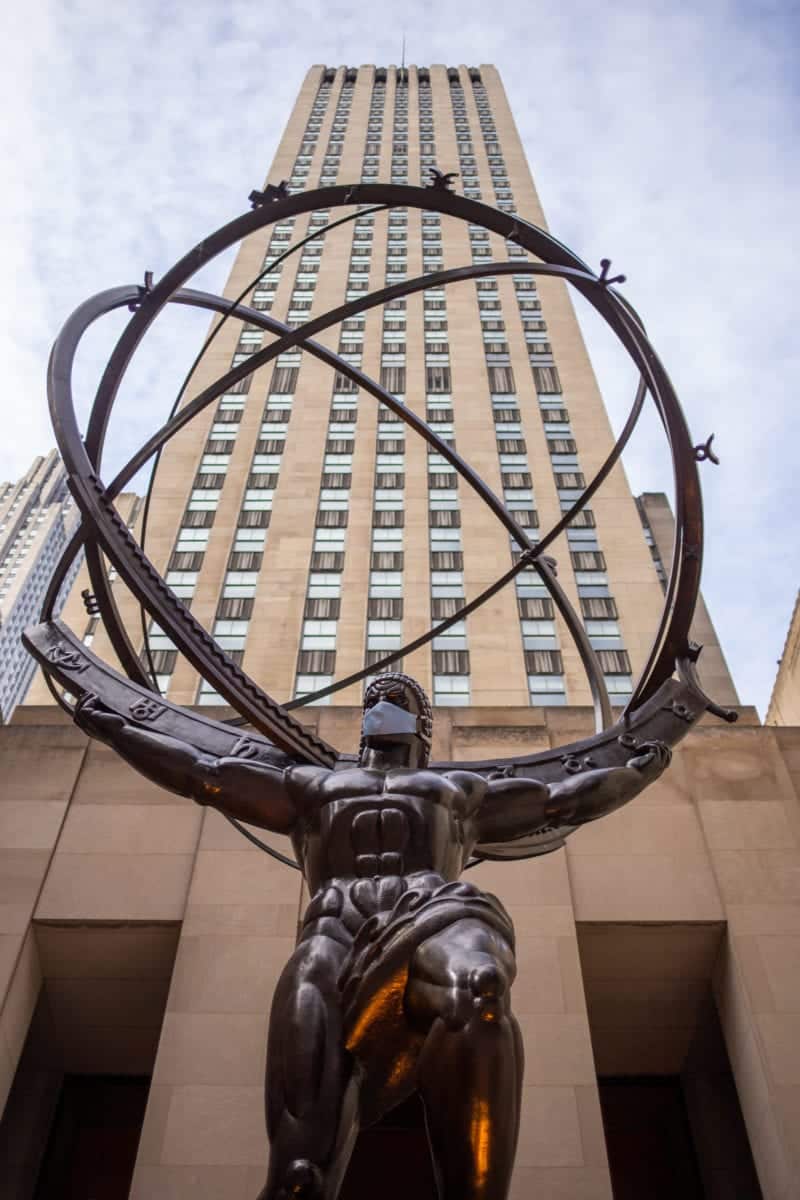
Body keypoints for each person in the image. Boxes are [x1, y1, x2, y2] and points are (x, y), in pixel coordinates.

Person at [76, 672, 669, 1199]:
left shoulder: (456, 791)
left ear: (421, 724)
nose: (379, 704)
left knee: (480, 988)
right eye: (373, 699)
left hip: (431, 910)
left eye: (395, 698)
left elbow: (563, 799)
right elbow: (202, 775)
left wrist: (641, 770)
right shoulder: (310, 787)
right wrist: (114, 729)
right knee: (301, 1172)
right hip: (334, 933)